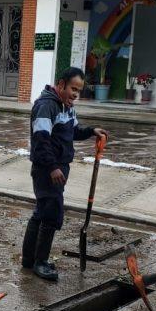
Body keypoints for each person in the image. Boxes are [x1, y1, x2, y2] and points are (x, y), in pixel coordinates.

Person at [22, 67, 108, 281]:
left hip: (59, 168)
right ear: (61, 84)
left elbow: (73, 132)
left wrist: (91, 131)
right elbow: (41, 140)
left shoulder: (67, 107)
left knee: (42, 211)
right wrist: (52, 167)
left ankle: (29, 259)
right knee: (51, 214)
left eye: (78, 91)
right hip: (47, 170)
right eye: (72, 89)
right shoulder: (46, 106)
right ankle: (40, 263)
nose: (75, 94)